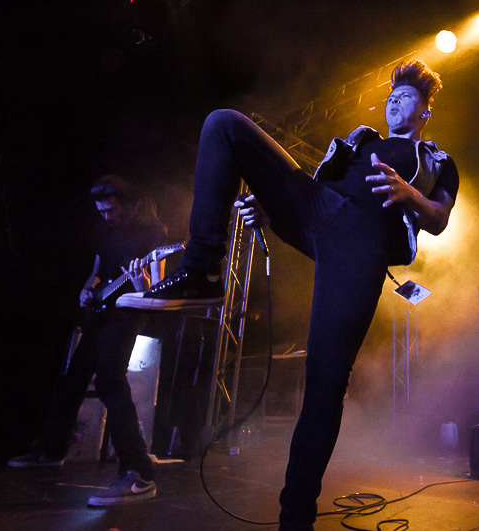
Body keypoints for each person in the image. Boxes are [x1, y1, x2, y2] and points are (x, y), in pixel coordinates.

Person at [118, 59, 459, 530]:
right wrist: (274, 210)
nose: (395, 100)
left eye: (407, 97)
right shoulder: (361, 142)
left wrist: (411, 195)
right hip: (321, 209)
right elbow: (309, 196)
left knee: (326, 383)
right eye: (391, 95)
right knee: (224, 123)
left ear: (425, 113)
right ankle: (203, 270)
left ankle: (296, 517)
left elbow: (440, 218)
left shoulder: (438, 160)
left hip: (361, 245)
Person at [8, 175, 167, 507]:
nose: (106, 216)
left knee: (110, 381)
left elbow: (155, 287)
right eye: (101, 211)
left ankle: (139, 472)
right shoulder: (103, 229)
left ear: (128, 205)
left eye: (111, 210)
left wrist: (141, 281)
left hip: (128, 312)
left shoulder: (153, 232)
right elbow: (97, 268)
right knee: (72, 380)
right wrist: (87, 288)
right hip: (101, 312)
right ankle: (51, 451)